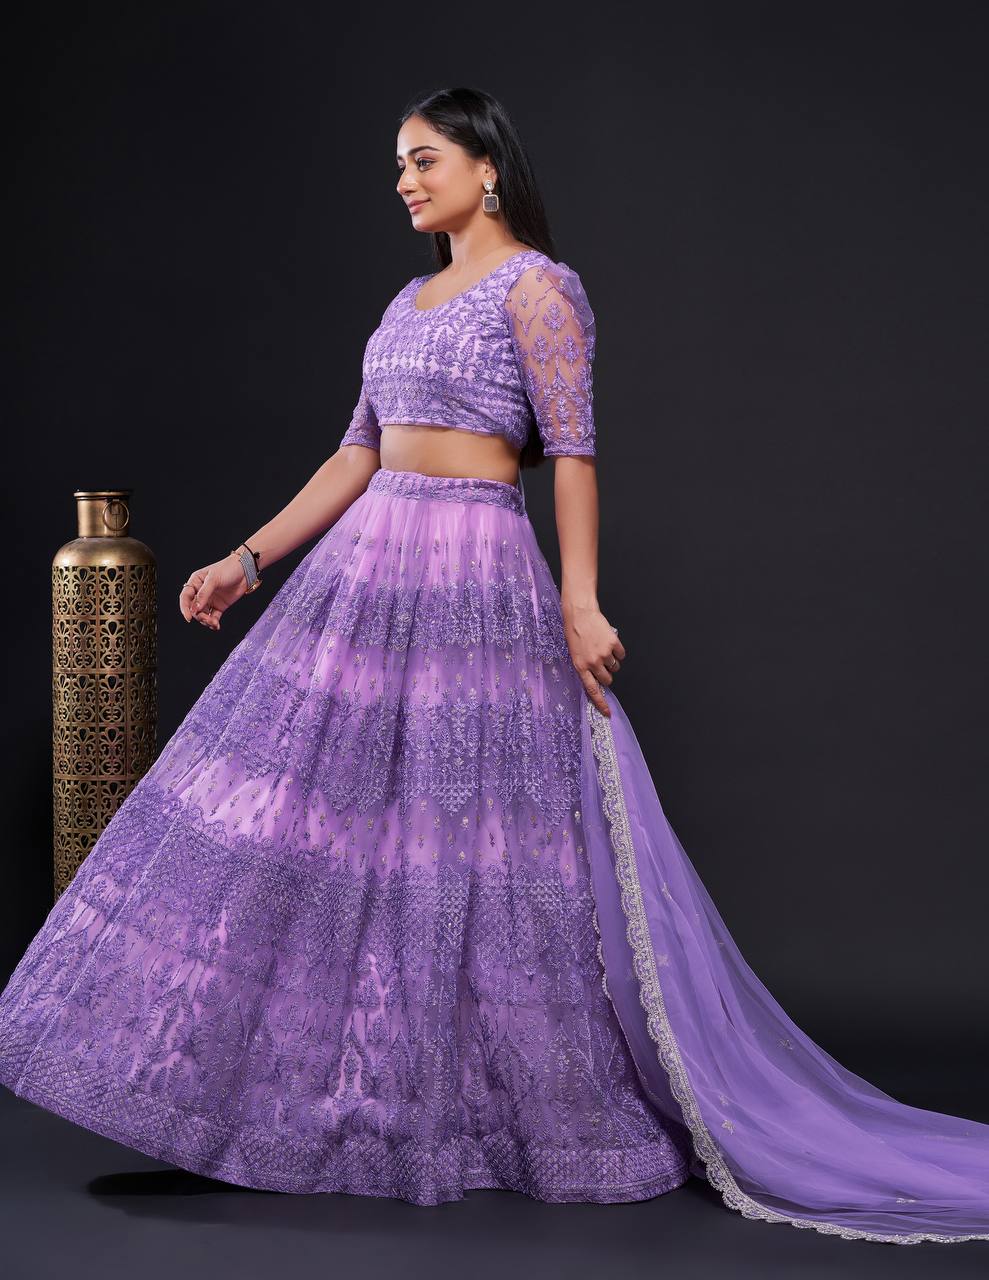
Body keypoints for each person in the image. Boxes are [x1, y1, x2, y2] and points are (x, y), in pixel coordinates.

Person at [0, 87, 986, 1246]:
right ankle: (327, 1103)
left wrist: (579, 600)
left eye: (423, 159)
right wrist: (247, 558)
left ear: (487, 167)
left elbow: (571, 453)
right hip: (365, 575)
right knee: (325, 827)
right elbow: (356, 451)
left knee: (470, 844)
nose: (404, 181)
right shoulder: (404, 300)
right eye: (397, 164)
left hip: (472, 573)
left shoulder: (538, 288)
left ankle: (500, 1113)